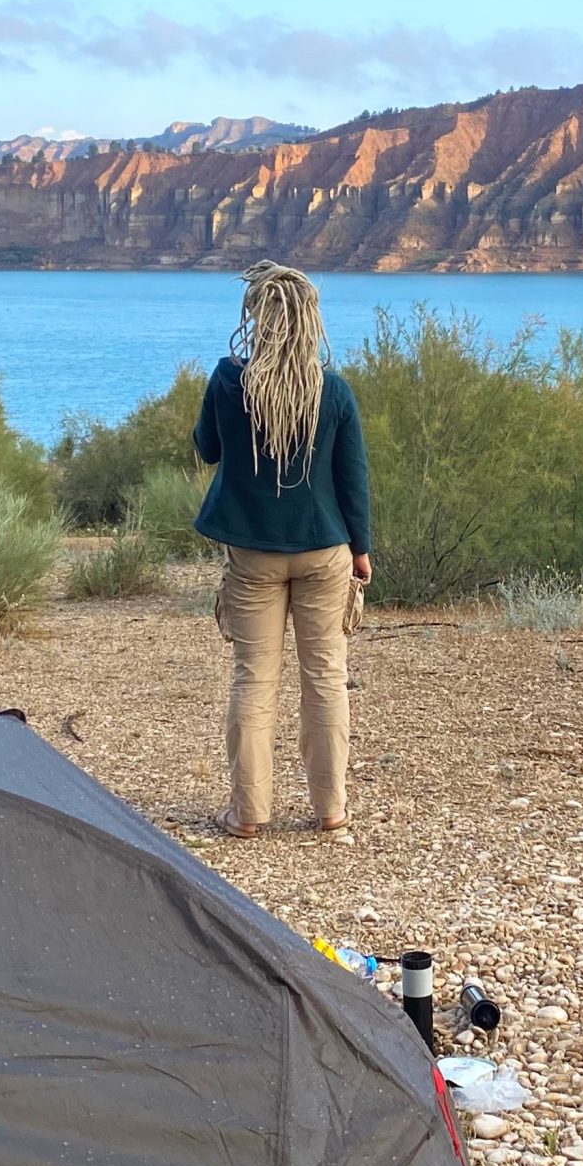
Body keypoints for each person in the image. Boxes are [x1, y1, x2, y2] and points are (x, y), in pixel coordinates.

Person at [191, 261, 372, 838]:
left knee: (254, 679)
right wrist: (361, 550)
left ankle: (248, 814)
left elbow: (207, 449)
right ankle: (332, 811)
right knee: (325, 677)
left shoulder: (227, 380)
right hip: (325, 550)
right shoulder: (334, 389)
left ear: (257, 318)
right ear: (309, 322)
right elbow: (353, 480)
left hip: (253, 556)